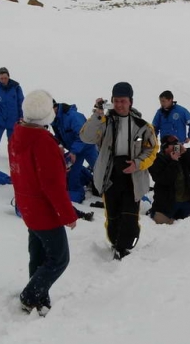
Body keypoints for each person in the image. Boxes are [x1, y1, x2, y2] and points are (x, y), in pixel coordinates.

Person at [9, 90, 78, 316]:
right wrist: (68, 215)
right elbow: (52, 186)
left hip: (28, 206)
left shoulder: (18, 134)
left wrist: (59, 163)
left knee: (38, 254)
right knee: (59, 258)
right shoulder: (43, 142)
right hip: (44, 211)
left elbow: (28, 172)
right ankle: (29, 296)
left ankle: (40, 297)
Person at [80, 82, 159, 260]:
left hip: (133, 176)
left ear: (130, 101)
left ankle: (125, 248)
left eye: (123, 101)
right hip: (109, 175)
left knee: (130, 216)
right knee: (113, 217)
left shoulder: (142, 126)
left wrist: (137, 164)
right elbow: (86, 137)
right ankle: (116, 243)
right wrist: (97, 115)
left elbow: (152, 149)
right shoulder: (104, 122)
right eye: (116, 101)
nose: (119, 105)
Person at [52, 100, 98, 203]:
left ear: (54, 107)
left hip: (87, 146)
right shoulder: (54, 119)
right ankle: (80, 191)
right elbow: (60, 136)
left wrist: (73, 152)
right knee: (72, 177)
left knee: (101, 171)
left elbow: (83, 135)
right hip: (75, 150)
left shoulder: (72, 116)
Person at [148, 135, 190, 224]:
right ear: (165, 148)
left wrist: (186, 151)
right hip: (167, 202)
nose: (176, 147)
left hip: (187, 201)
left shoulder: (182, 157)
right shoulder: (156, 160)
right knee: (161, 222)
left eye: (177, 144)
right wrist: (174, 162)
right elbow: (164, 179)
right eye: (173, 145)